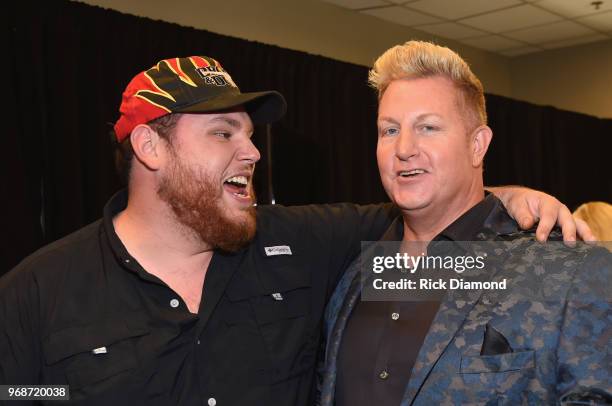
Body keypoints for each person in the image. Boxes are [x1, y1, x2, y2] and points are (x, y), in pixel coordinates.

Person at [0, 55, 594, 406]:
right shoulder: (37, 291)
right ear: (151, 146)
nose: (252, 152)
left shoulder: (304, 248)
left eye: (250, 134)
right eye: (223, 133)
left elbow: (443, 237)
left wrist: (502, 196)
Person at [319, 41, 611, 405]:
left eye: (427, 127)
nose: (404, 148)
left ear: (477, 145)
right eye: (389, 130)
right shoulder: (354, 274)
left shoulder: (568, 269)